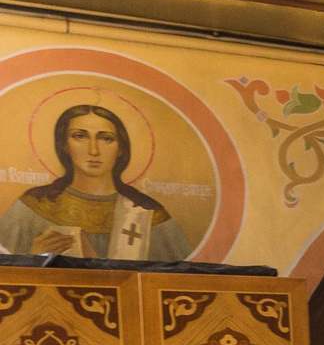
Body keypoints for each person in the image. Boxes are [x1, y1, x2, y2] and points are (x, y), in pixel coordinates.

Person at [0, 105, 191, 262]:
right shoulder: (32, 207)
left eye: (106, 138)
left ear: (121, 148)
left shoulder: (149, 214)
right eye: (80, 136)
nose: (93, 150)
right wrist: (33, 258)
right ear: (64, 145)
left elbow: (185, 277)